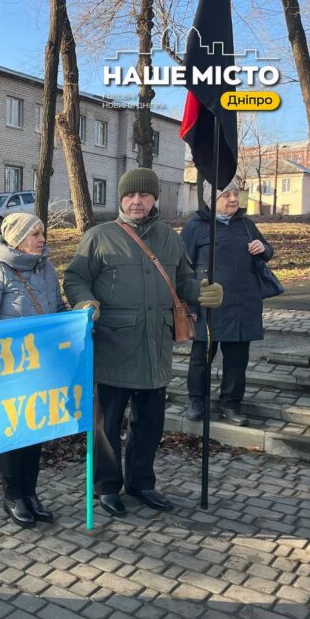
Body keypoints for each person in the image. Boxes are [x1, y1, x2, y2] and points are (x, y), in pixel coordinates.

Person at [64, 167, 224, 517]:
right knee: (107, 426)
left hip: (155, 347)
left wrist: (202, 292)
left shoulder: (170, 237)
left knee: (149, 423)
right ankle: (106, 487)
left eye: (144, 196)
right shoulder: (99, 236)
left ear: (154, 199)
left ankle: (141, 482)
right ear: (121, 199)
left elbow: (182, 281)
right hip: (113, 346)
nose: (136, 202)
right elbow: (75, 278)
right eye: (129, 196)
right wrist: (84, 301)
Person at [0, 212, 66, 527]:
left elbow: (60, 310)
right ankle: (13, 495)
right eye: (35, 234)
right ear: (16, 239)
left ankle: (31, 492)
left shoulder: (47, 267)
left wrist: (78, 320)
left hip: (44, 368)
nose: (42, 239)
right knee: (14, 433)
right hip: (11, 371)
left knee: (36, 432)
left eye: (42, 233)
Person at [181, 180, 275, 427]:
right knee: (201, 358)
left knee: (236, 360)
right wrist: (189, 304)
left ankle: (231, 405)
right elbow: (182, 267)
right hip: (207, 306)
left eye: (236, 194)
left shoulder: (246, 224)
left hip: (243, 305)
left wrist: (262, 247)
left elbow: (268, 251)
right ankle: (197, 402)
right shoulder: (195, 227)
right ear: (212, 199)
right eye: (227, 195)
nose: (234, 199)